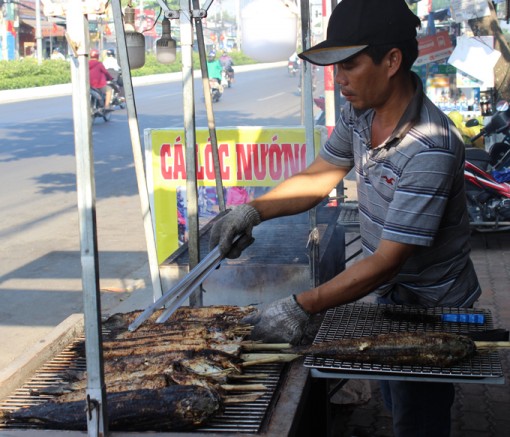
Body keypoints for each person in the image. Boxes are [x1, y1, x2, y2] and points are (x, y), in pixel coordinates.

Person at [208, 1, 481, 436]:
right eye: (336, 67)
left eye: (350, 65)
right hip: (390, 298)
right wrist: (252, 210)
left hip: (433, 309)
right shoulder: (360, 112)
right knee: (394, 398)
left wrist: (301, 306)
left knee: (418, 415)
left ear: (392, 60)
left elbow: (389, 259)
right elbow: (319, 176)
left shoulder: (430, 146)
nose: (339, 80)